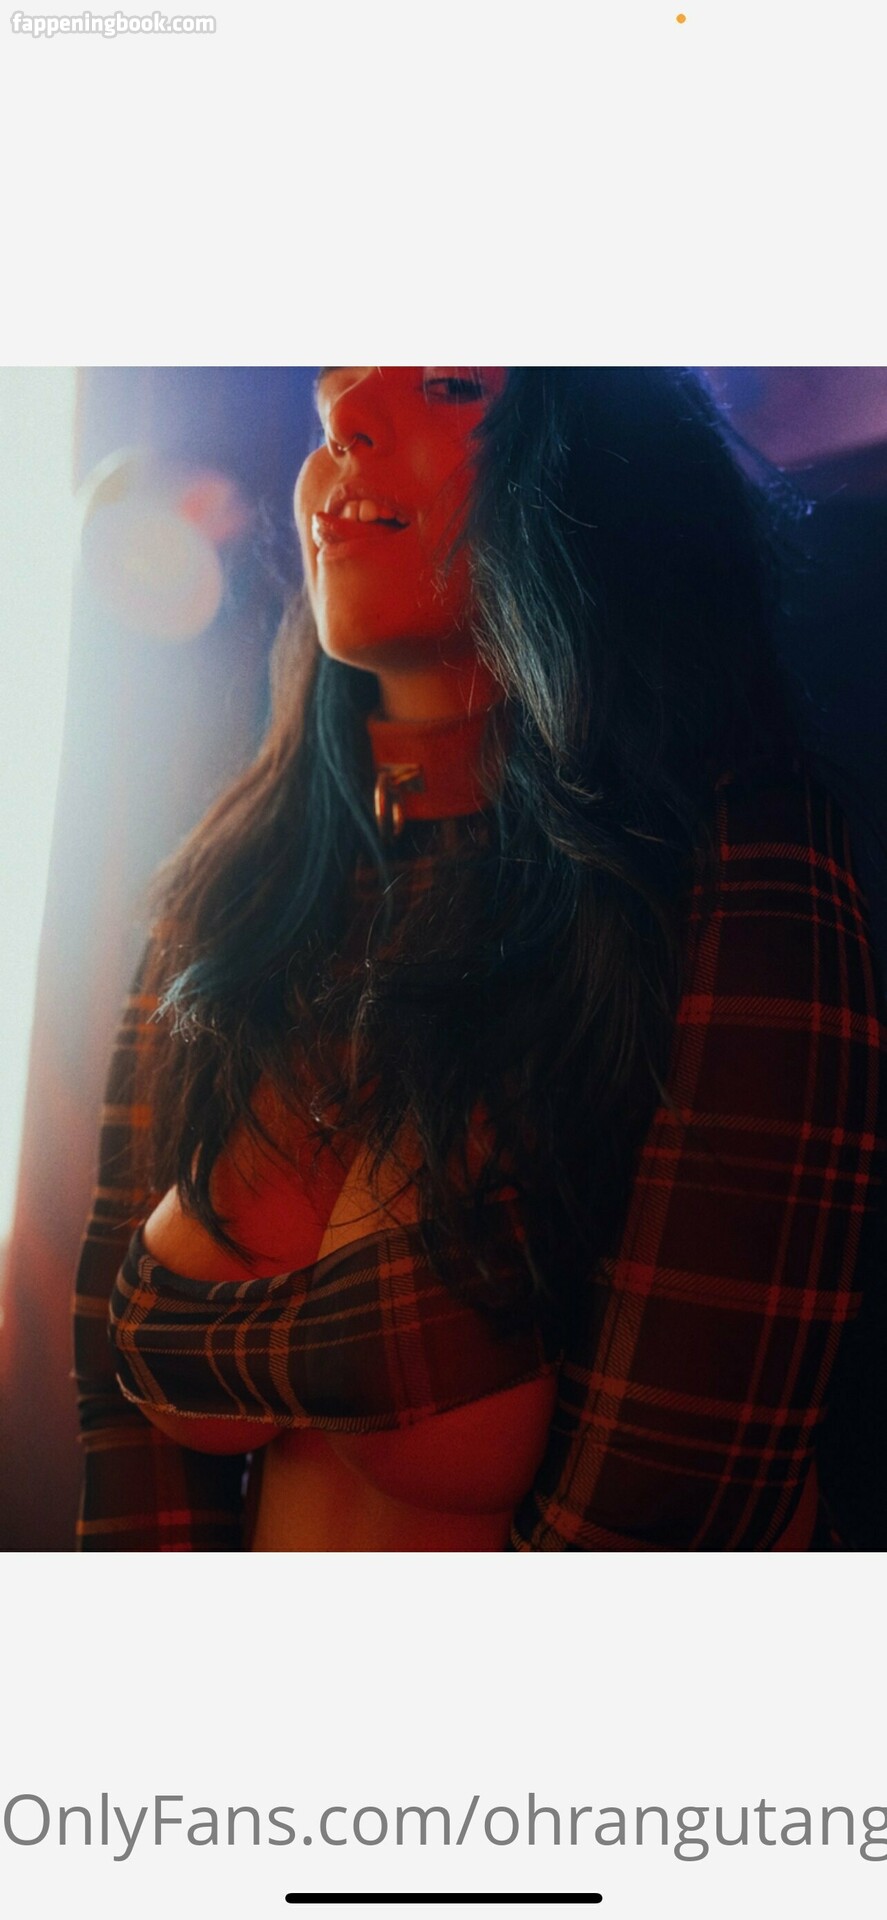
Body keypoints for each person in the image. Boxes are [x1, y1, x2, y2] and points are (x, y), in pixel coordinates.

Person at [73, 367, 887, 1551]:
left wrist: (175, 1332)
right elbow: (120, 1421)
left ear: (599, 470)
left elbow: (671, 1501)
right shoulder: (235, 878)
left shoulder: (731, 861)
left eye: (449, 383)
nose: (341, 417)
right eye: (336, 383)